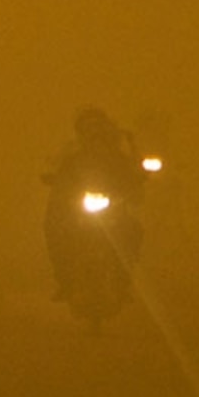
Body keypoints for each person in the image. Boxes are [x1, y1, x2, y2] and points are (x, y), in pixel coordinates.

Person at [43, 107, 144, 298]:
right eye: (88, 128)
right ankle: (64, 279)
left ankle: (124, 282)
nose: (93, 133)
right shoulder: (71, 154)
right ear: (81, 130)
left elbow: (129, 176)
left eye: (97, 127)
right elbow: (58, 174)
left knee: (133, 232)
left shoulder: (115, 155)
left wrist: (132, 185)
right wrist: (56, 183)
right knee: (55, 230)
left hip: (112, 209)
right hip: (77, 209)